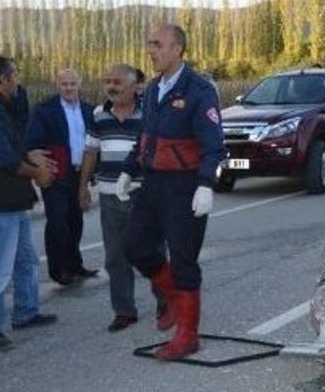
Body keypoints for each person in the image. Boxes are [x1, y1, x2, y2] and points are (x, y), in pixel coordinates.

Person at [122, 24, 224, 360]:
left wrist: (205, 185)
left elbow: (213, 144)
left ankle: (187, 335)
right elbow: (145, 138)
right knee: (135, 246)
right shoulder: (153, 89)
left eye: (157, 44)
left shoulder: (199, 90)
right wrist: (128, 169)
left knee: (183, 260)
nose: (150, 50)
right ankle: (172, 298)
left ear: (177, 49)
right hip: (153, 183)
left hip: (185, 186)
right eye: (149, 44)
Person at [0, 56, 57, 350]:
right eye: (15, 75)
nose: (18, 80)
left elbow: (15, 144)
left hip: (11, 199)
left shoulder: (2, 107)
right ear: (3, 79)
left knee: (26, 260)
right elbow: (3, 158)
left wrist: (31, 156)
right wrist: (37, 173)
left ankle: (25, 312)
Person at [79, 64, 169, 332]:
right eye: (107, 81)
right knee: (115, 257)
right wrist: (83, 186)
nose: (111, 86)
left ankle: (166, 302)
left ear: (134, 86)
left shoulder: (150, 112)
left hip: (143, 195)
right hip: (109, 197)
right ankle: (124, 311)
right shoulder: (99, 114)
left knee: (152, 251)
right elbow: (90, 152)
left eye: (117, 82)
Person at [26, 69, 97, 286]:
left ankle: (75, 264)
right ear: (57, 85)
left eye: (72, 84)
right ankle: (59, 269)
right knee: (58, 222)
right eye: (64, 84)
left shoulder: (89, 110)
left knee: (76, 220)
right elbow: (32, 143)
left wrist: (92, 174)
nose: (68, 88)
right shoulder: (45, 110)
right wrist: (39, 165)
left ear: (79, 84)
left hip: (80, 173)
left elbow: (95, 144)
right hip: (56, 173)